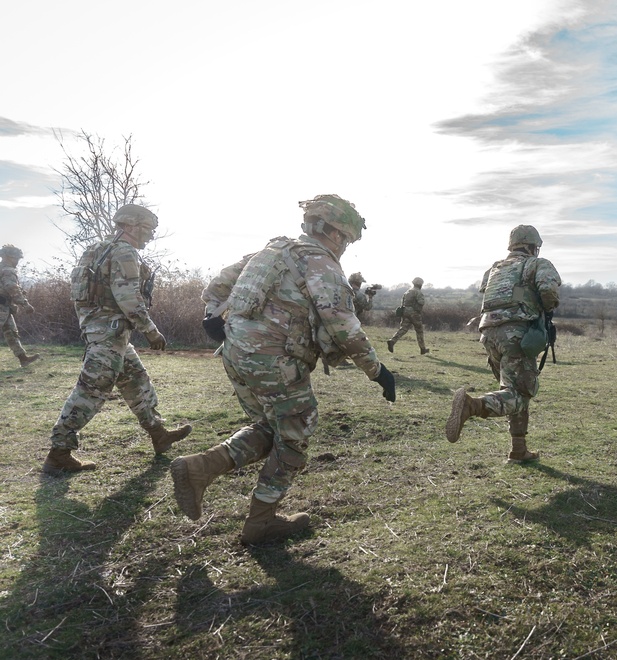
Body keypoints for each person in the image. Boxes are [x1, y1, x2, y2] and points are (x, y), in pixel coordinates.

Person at [171, 194, 396, 545]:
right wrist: (377, 371)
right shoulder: (321, 263)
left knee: (272, 426)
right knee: (296, 430)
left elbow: (217, 285)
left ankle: (201, 469)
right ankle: (259, 520)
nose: (346, 247)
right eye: (348, 239)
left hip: (236, 351)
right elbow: (341, 323)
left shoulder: (273, 251)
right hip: (276, 358)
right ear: (336, 233)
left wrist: (212, 317)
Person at [44, 204, 192, 474]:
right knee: (92, 389)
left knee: (136, 380)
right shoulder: (125, 252)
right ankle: (59, 453)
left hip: (107, 331)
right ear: (130, 226)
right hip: (109, 334)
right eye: (147, 229)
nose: (150, 236)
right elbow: (128, 297)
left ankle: (159, 434)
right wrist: (150, 330)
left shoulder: (98, 249)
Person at [445, 225, 561, 463]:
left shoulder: (495, 269)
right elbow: (548, 291)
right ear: (533, 246)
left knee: (512, 388)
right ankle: (472, 406)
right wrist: (546, 309)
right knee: (519, 392)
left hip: (489, 333)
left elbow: (501, 295)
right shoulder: (537, 264)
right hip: (517, 334)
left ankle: (518, 450)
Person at [0, 245, 41, 367]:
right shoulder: (7, 270)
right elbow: (11, 287)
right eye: (16, 258)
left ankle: (23, 359)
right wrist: (25, 304)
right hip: (1, 306)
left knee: (11, 332)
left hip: (4, 307)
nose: (17, 261)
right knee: (11, 332)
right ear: (9, 257)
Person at [387, 276, 429, 354]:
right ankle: (423, 349)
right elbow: (421, 302)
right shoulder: (418, 292)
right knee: (419, 331)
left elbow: (402, 303)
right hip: (414, 313)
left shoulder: (407, 292)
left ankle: (392, 341)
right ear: (420, 284)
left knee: (403, 329)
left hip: (405, 312)